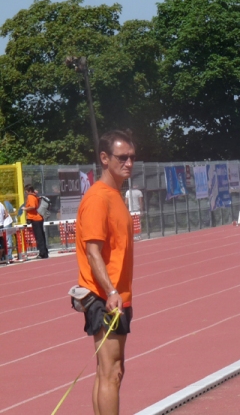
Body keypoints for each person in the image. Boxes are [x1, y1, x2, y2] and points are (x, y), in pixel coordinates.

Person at [76, 129, 136, 414]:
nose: (129, 163)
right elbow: (92, 251)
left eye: (132, 157)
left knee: (107, 371)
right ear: (104, 158)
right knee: (112, 372)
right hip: (105, 296)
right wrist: (111, 292)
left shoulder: (114, 195)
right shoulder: (99, 198)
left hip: (116, 295)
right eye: (122, 157)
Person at [21, 184, 48, 259]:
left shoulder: (30, 196)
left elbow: (33, 206)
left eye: (26, 191)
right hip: (39, 218)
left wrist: (25, 209)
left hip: (35, 218)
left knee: (39, 237)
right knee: (41, 236)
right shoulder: (35, 195)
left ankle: (42, 253)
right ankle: (44, 252)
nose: (26, 193)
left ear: (28, 191)